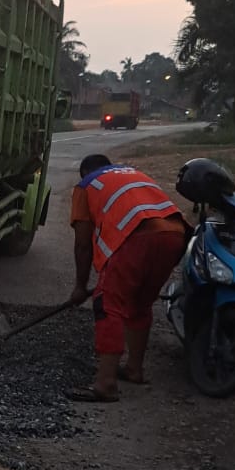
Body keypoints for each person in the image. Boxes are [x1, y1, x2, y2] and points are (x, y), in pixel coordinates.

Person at [66, 153, 187, 403]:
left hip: (137, 236)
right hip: (175, 235)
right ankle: (134, 369)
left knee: (107, 303)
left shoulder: (86, 184)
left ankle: (105, 384)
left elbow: (83, 244)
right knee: (139, 304)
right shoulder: (133, 173)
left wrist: (80, 286)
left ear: (85, 171)